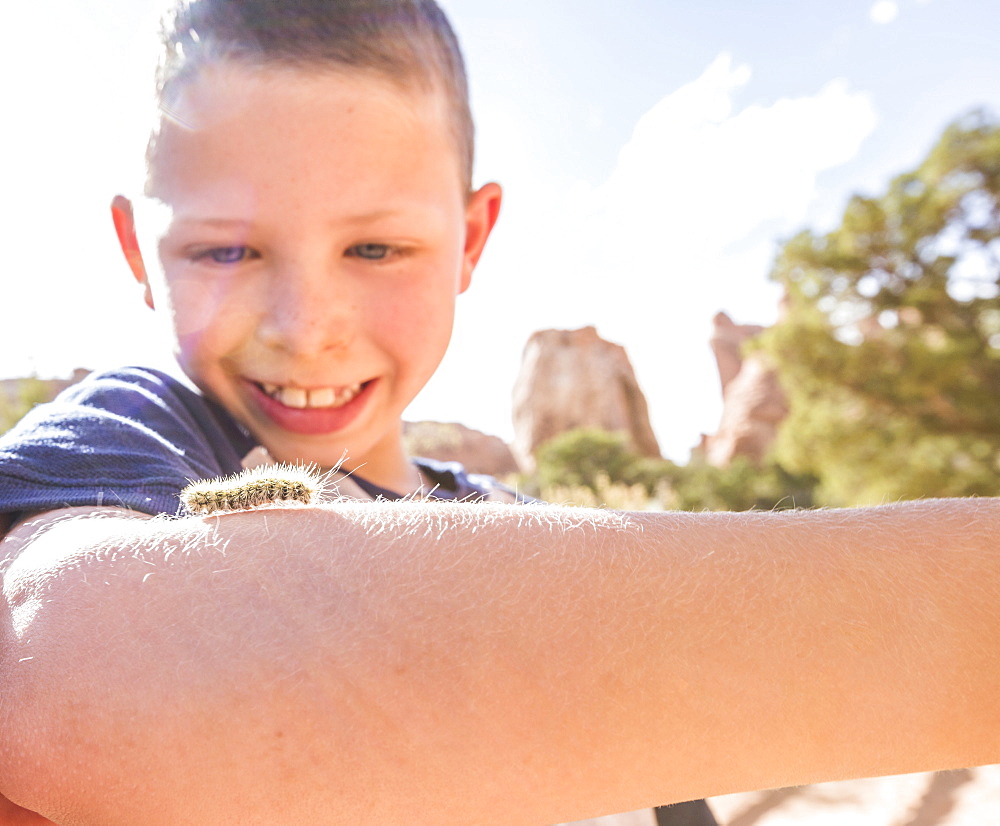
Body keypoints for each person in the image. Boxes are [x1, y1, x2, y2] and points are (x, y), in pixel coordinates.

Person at [0, 1, 998, 824]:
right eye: (226, 250)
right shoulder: (134, 432)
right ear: (137, 252)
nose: (308, 330)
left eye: (376, 249)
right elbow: (53, 651)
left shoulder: (519, 526)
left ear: (473, 236)